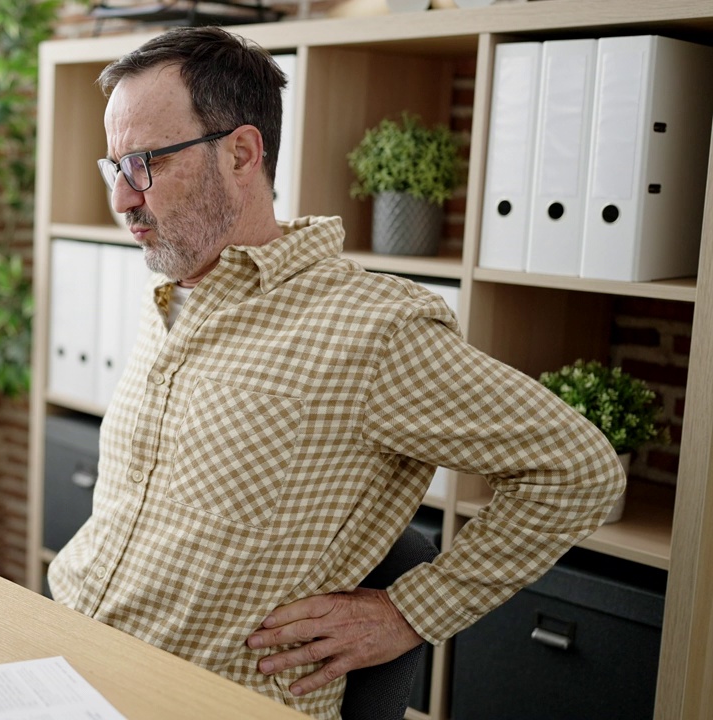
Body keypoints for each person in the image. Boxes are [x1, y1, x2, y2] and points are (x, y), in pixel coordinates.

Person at [45, 25, 625, 720]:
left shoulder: (375, 330)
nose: (122, 200)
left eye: (145, 163)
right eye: (116, 167)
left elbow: (580, 470)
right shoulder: (174, 293)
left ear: (241, 152)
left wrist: (409, 614)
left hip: (197, 699)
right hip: (66, 653)